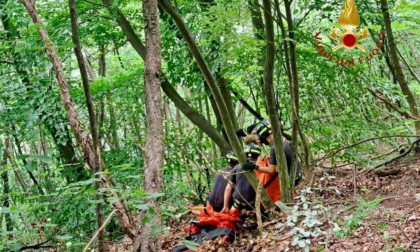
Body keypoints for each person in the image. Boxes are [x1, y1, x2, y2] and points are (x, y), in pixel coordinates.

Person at [243, 119, 301, 190]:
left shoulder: (274, 147)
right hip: (298, 174)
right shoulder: (283, 139)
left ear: (263, 136)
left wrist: (254, 167)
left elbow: (270, 170)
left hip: (292, 181)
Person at [221, 144, 262, 213]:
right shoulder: (261, 168)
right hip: (254, 204)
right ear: (258, 156)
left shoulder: (237, 167)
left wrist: (226, 206)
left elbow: (228, 188)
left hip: (238, 203)